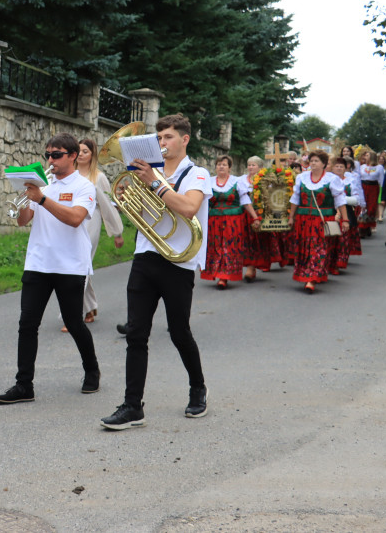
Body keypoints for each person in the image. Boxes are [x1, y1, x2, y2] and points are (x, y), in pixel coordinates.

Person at [100, 114, 210, 431]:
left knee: (179, 332)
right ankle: (133, 406)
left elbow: (188, 208)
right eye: (159, 138)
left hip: (178, 262)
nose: (162, 143)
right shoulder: (149, 172)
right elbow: (143, 211)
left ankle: (198, 387)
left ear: (185, 139)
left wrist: (153, 184)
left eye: (169, 137)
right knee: (136, 333)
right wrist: (127, 198)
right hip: (146, 255)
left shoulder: (196, 173)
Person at [0, 133, 100, 404]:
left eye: (56, 154)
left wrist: (41, 199)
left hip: (70, 264)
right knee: (27, 324)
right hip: (38, 262)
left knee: (74, 322)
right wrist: (24, 201)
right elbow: (22, 222)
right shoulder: (44, 184)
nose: (50, 160)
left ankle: (92, 370)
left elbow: (75, 219)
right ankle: (23, 385)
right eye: (48, 155)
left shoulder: (84, 186)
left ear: (73, 156)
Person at [73, 138, 124, 326]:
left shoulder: (99, 177)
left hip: (91, 221)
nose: (80, 154)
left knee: (80, 264)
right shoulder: (70, 175)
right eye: (78, 151)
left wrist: (117, 233)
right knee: (78, 266)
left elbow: (109, 207)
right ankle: (90, 307)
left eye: (85, 151)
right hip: (71, 222)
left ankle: (73, 314)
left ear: (92, 155)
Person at [287, 150, 349, 293]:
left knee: (318, 248)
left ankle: (312, 278)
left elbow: (340, 200)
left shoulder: (332, 179)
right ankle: (304, 273)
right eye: (311, 161)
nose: (313, 163)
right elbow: (295, 199)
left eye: (316, 161)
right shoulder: (301, 178)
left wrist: (345, 219)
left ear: (324, 164)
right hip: (303, 219)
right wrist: (291, 217)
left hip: (322, 220)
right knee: (304, 248)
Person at [201, 155, 258, 288]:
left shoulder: (237, 182)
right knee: (216, 247)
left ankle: (224, 276)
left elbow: (245, 201)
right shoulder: (208, 182)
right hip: (214, 221)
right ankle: (218, 273)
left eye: (224, 164)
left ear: (230, 168)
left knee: (229, 247)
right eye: (219, 164)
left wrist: (255, 217)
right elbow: (202, 203)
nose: (221, 166)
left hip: (233, 222)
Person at [357, 151, 384, 238]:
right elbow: (358, 177)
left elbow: (381, 181)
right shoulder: (362, 167)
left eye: (367, 155)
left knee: (371, 208)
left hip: (373, 188)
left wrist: (382, 193)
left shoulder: (379, 167)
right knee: (362, 207)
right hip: (363, 187)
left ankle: (368, 226)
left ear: (372, 157)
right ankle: (361, 228)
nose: (365, 157)